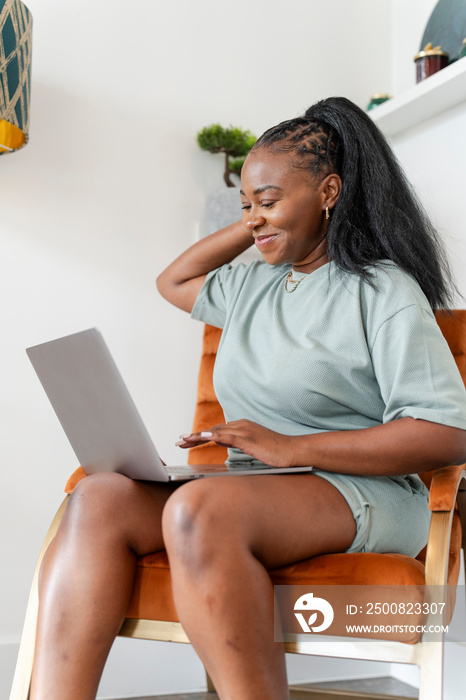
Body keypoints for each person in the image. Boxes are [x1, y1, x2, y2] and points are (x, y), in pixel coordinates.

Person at [30, 97, 466, 700]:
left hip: (362, 491)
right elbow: (172, 281)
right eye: (245, 204)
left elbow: (445, 432)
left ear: (329, 191)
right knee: (98, 497)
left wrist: (292, 448)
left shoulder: (382, 288)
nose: (254, 219)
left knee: (197, 510)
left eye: (268, 200)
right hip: (253, 488)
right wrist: (262, 217)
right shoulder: (250, 283)